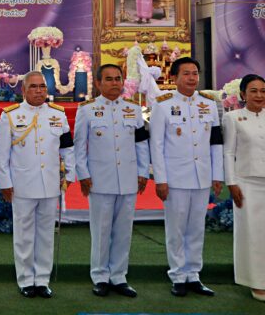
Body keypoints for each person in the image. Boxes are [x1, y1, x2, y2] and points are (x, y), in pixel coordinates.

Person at [0, 71, 75, 299]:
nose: (39, 91)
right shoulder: (10, 115)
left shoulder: (58, 114)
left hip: (50, 183)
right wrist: (5, 182)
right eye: (33, 87)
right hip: (22, 185)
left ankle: (42, 280)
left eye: (42, 87)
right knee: (24, 234)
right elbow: (2, 154)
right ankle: (25, 280)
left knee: (46, 234)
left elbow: (67, 147)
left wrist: (70, 173)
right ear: (23, 90)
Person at [74, 64, 150, 298]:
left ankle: (119, 276)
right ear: (98, 83)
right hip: (100, 180)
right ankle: (100, 276)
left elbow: (141, 143)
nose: (115, 83)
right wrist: (83, 174)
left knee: (124, 231)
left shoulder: (133, 109)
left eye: (118, 79)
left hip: (128, 178)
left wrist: (143, 172)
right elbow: (79, 146)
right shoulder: (87, 110)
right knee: (101, 230)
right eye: (109, 79)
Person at [149, 57, 222, 297]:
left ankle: (194, 275)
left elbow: (216, 142)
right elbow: (156, 145)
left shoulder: (208, 103)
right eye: (186, 73)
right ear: (175, 77)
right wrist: (160, 179)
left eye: (195, 73)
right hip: (175, 177)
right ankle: (178, 275)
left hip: (202, 176)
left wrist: (217, 174)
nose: (192, 78)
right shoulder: (163, 104)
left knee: (196, 228)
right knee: (176, 228)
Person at [222, 73, 265, 302]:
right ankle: (257, 282)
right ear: (242, 94)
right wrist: (232, 183)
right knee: (252, 234)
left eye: (263, 91)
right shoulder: (233, 118)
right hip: (247, 182)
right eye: (253, 91)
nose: (259, 95)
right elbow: (229, 152)